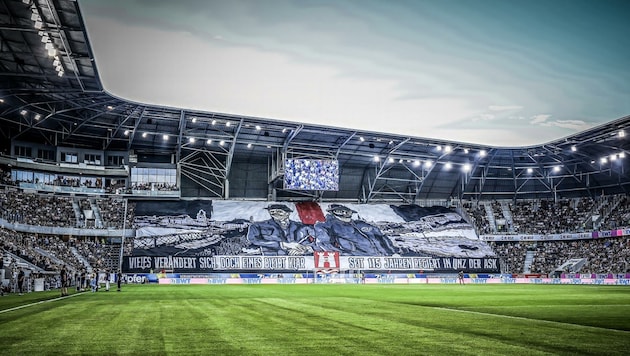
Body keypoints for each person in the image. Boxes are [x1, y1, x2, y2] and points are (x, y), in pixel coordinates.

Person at [314, 204, 397, 256]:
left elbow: (381, 237)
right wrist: (345, 256)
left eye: (348, 212)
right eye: (342, 211)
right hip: (352, 259)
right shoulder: (325, 226)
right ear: (334, 212)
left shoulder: (360, 224)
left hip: (377, 258)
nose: (347, 214)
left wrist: (392, 253)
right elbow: (324, 244)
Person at [247, 204, 316, 256]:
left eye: (279, 211)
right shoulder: (258, 226)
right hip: (271, 262)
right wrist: (283, 245)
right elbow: (253, 240)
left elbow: (321, 240)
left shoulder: (302, 226)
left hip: (300, 262)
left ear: (288, 213)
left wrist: (306, 249)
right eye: (272, 211)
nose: (275, 213)